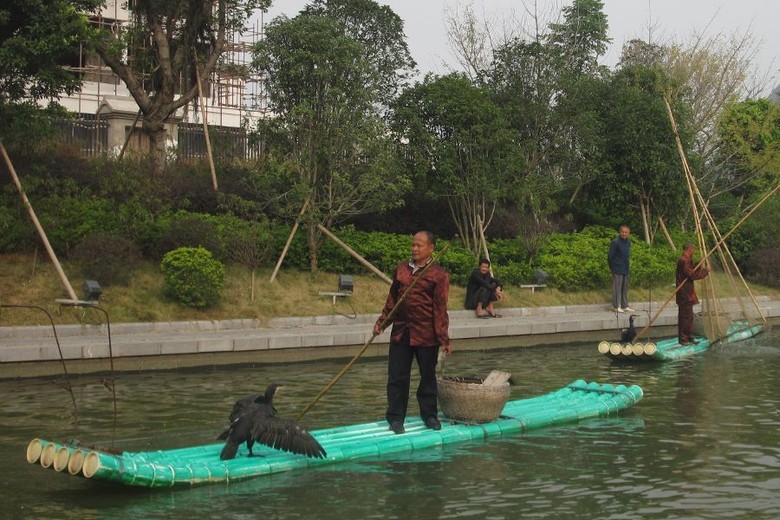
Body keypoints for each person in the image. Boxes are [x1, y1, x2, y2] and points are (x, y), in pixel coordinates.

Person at [373, 231, 451, 435]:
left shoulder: (438, 274)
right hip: (402, 331)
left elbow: (440, 308)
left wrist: (444, 338)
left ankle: (430, 416)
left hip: (427, 334)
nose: (415, 248)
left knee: (428, 376)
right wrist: (382, 322)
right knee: (397, 376)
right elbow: (393, 300)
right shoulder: (401, 270)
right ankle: (396, 418)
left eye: (420, 245)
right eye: (413, 245)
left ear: (431, 249)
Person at [675, 242, 710, 345]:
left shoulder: (687, 260)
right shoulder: (683, 260)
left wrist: (699, 264)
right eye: (693, 250)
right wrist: (705, 271)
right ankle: (683, 339)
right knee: (684, 317)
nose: (694, 252)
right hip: (684, 293)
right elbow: (692, 275)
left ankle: (688, 336)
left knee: (689, 317)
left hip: (688, 293)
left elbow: (692, 270)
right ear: (689, 249)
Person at [607, 225, 635, 313]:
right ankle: (616, 306)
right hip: (617, 268)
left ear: (628, 233)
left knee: (624, 288)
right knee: (617, 288)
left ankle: (624, 305)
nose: (624, 234)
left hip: (625, 267)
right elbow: (610, 256)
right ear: (620, 232)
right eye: (622, 232)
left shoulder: (628, 242)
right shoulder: (615, 242)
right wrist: (612, 267)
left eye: (626, 232)